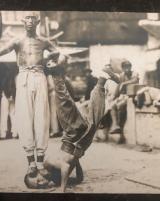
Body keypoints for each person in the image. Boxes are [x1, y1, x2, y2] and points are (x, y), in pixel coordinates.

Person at [0, 11, 66, 177]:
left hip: (40, 76)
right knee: (25, 118)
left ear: (37, 22)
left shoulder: (44, 41)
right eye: (27, 18)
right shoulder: (17, 41)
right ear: (23, 22)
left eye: (33, 19)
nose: (30, 21)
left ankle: (41, 162)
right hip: (23, 78)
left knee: (41, 118)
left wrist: (53, 62)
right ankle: (31, 163)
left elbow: (61, 55)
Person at [23, 60, 119, 192]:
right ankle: (102, 78)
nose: (42, 182)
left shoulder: (46, 164)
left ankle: (56, 74)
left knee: (64, 106)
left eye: (38, 179)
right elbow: (78, 178)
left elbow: (65, 166)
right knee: (96, 113)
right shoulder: (54, 178)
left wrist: (62, 188)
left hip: (72, 137)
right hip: (81, 144)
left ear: (36, 172)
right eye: (40, 185)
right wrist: (76, 161)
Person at [0, 65, 18, 139]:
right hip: (11, 96)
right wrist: (12, 96)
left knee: (4, 114)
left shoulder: (4, 77)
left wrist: (8, 96)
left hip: (6, 96)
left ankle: (3, 133)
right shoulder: (15, 76)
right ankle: (14, 132)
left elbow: (4, 87)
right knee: (12, 114)